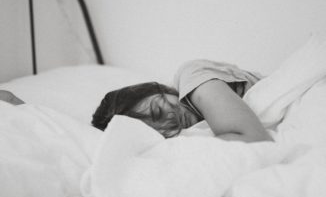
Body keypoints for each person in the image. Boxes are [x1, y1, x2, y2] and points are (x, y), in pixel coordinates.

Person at [92, 59, 273, 142]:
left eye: (157, 111)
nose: (170, 121)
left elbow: (255, 139)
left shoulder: (192, 76)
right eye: (159, 131)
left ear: (156, 89)